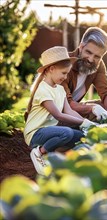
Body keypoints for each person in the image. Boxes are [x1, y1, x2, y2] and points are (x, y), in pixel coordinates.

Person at [23, 46, 96, 175]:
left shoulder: (60, 89)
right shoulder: (43, 90)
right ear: (51, 69)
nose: (66, 77)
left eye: (67, 73)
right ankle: (39, 152)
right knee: (67, 133)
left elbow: (69, 111)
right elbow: (58, 115)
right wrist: (83, 122)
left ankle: (64, 161)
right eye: (64, 73)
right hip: (35, 134)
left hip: (49, 132)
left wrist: (87, 125)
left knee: (82, 137)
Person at [62, 27, 107, 122]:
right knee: (96, 110)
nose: (91, 59)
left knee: (103, 106)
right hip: (54, 113)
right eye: (88, 52)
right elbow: (66, 103)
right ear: (81, 47)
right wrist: (93, 108)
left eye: (97, 56)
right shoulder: (64, 63)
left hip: (72, 110)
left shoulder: (98, 65)